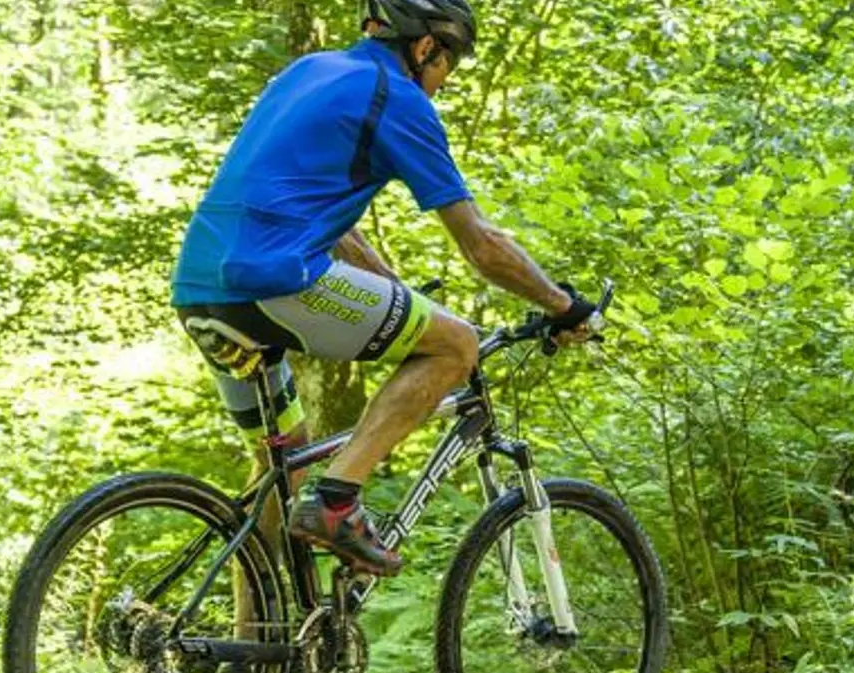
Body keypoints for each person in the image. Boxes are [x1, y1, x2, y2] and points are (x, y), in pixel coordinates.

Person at [173, 0, 596, 581]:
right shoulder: (398, 99)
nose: (443, 84)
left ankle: (251, 660)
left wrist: (389, 289)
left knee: (282, 463)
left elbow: (310, 209)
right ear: (426, 48)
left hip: (199, 290)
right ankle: (339, 501)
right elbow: (481, 244)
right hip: (274, 282)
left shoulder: (308, 72)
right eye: (449, 66)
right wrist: (563, 304)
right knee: (455, 346)